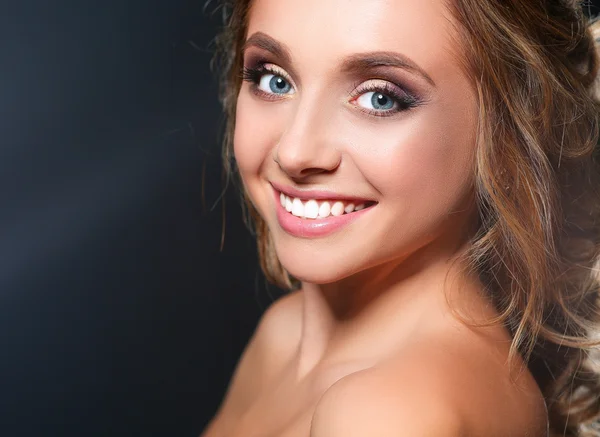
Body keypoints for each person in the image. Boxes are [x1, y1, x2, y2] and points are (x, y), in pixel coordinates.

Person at [202, 0, 600, 435]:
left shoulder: (390, 412)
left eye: (380, 98)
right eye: (274, 80)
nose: (294, 152)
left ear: (508, 127)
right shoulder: (282, 335)